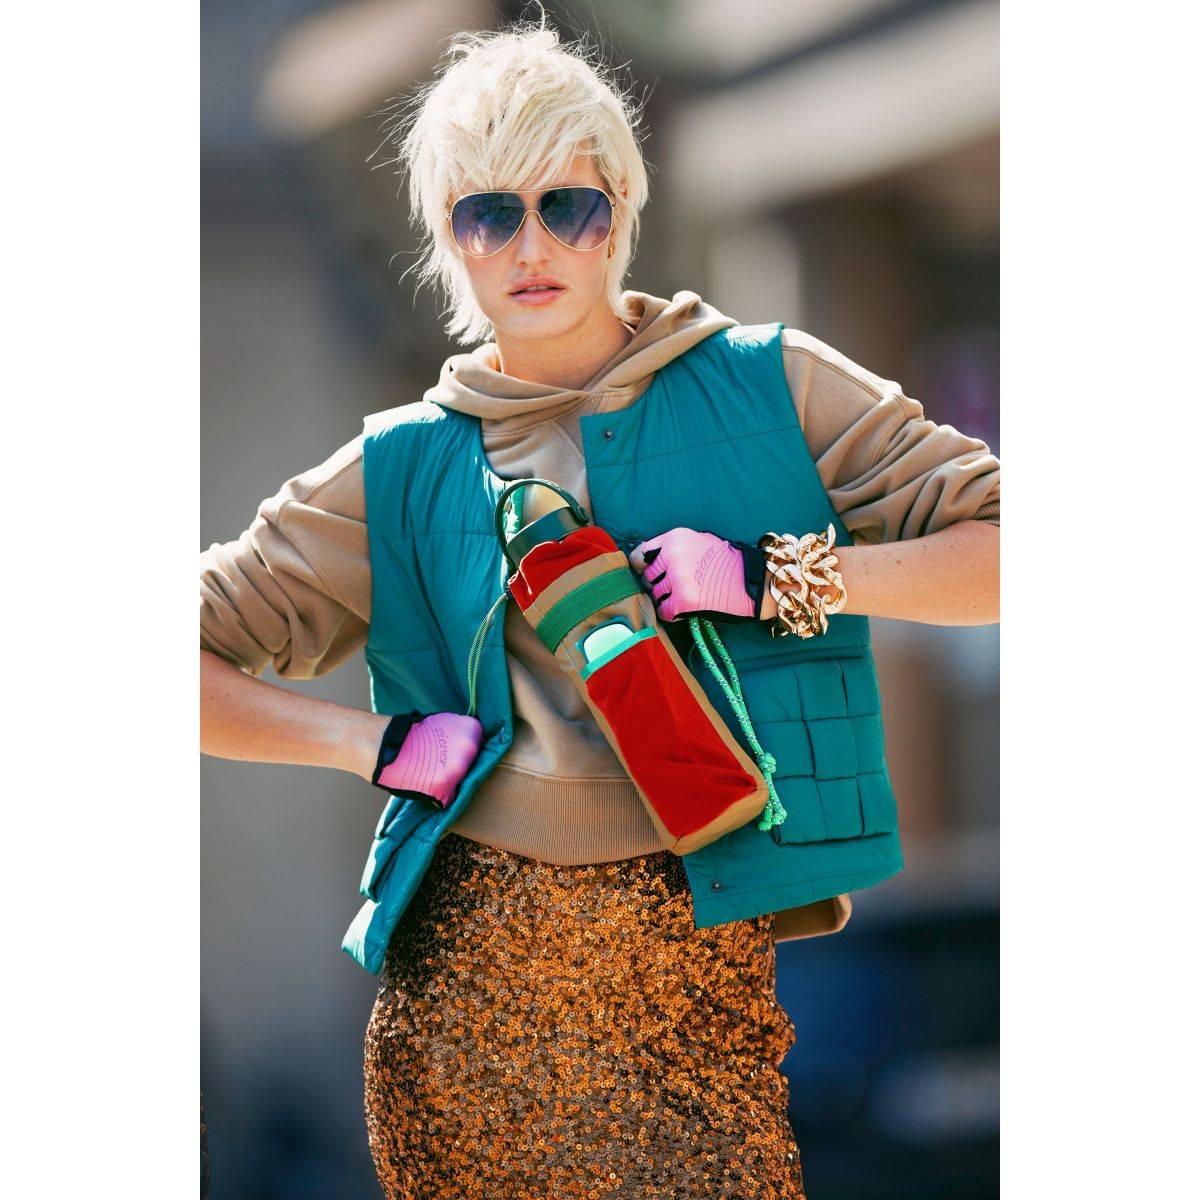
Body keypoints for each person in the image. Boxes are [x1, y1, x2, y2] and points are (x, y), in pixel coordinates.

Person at [200, 16, 1000, 1200]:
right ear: (450, 239)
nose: (531, 246)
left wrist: (778, 577)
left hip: (694, 994)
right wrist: (369, 743)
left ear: (618, 211)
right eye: (489, 214)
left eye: (566, 206)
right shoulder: (395, 469)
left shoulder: (770, 386)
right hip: (465, 1007)